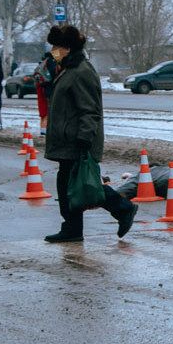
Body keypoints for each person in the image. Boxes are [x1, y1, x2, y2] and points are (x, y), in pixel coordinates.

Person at [42, 25, 138, 242]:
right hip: (68, 140)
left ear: (67, 48)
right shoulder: (68, 69)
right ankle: (72, 229)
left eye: (56, 47)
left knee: (82, 186)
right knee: (71, 187)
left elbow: (90, 110)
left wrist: (84, 137)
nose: (53, 51)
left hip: (76, 141)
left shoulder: (81, 71)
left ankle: (123, 209)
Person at [33, 50, 57, 136]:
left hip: (42, 89)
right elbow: (53, 76)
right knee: (48, 112)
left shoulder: (42, 64)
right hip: (49, 90)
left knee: (43, 112)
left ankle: (43, 130)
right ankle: (45, 131)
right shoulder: (51, 63)